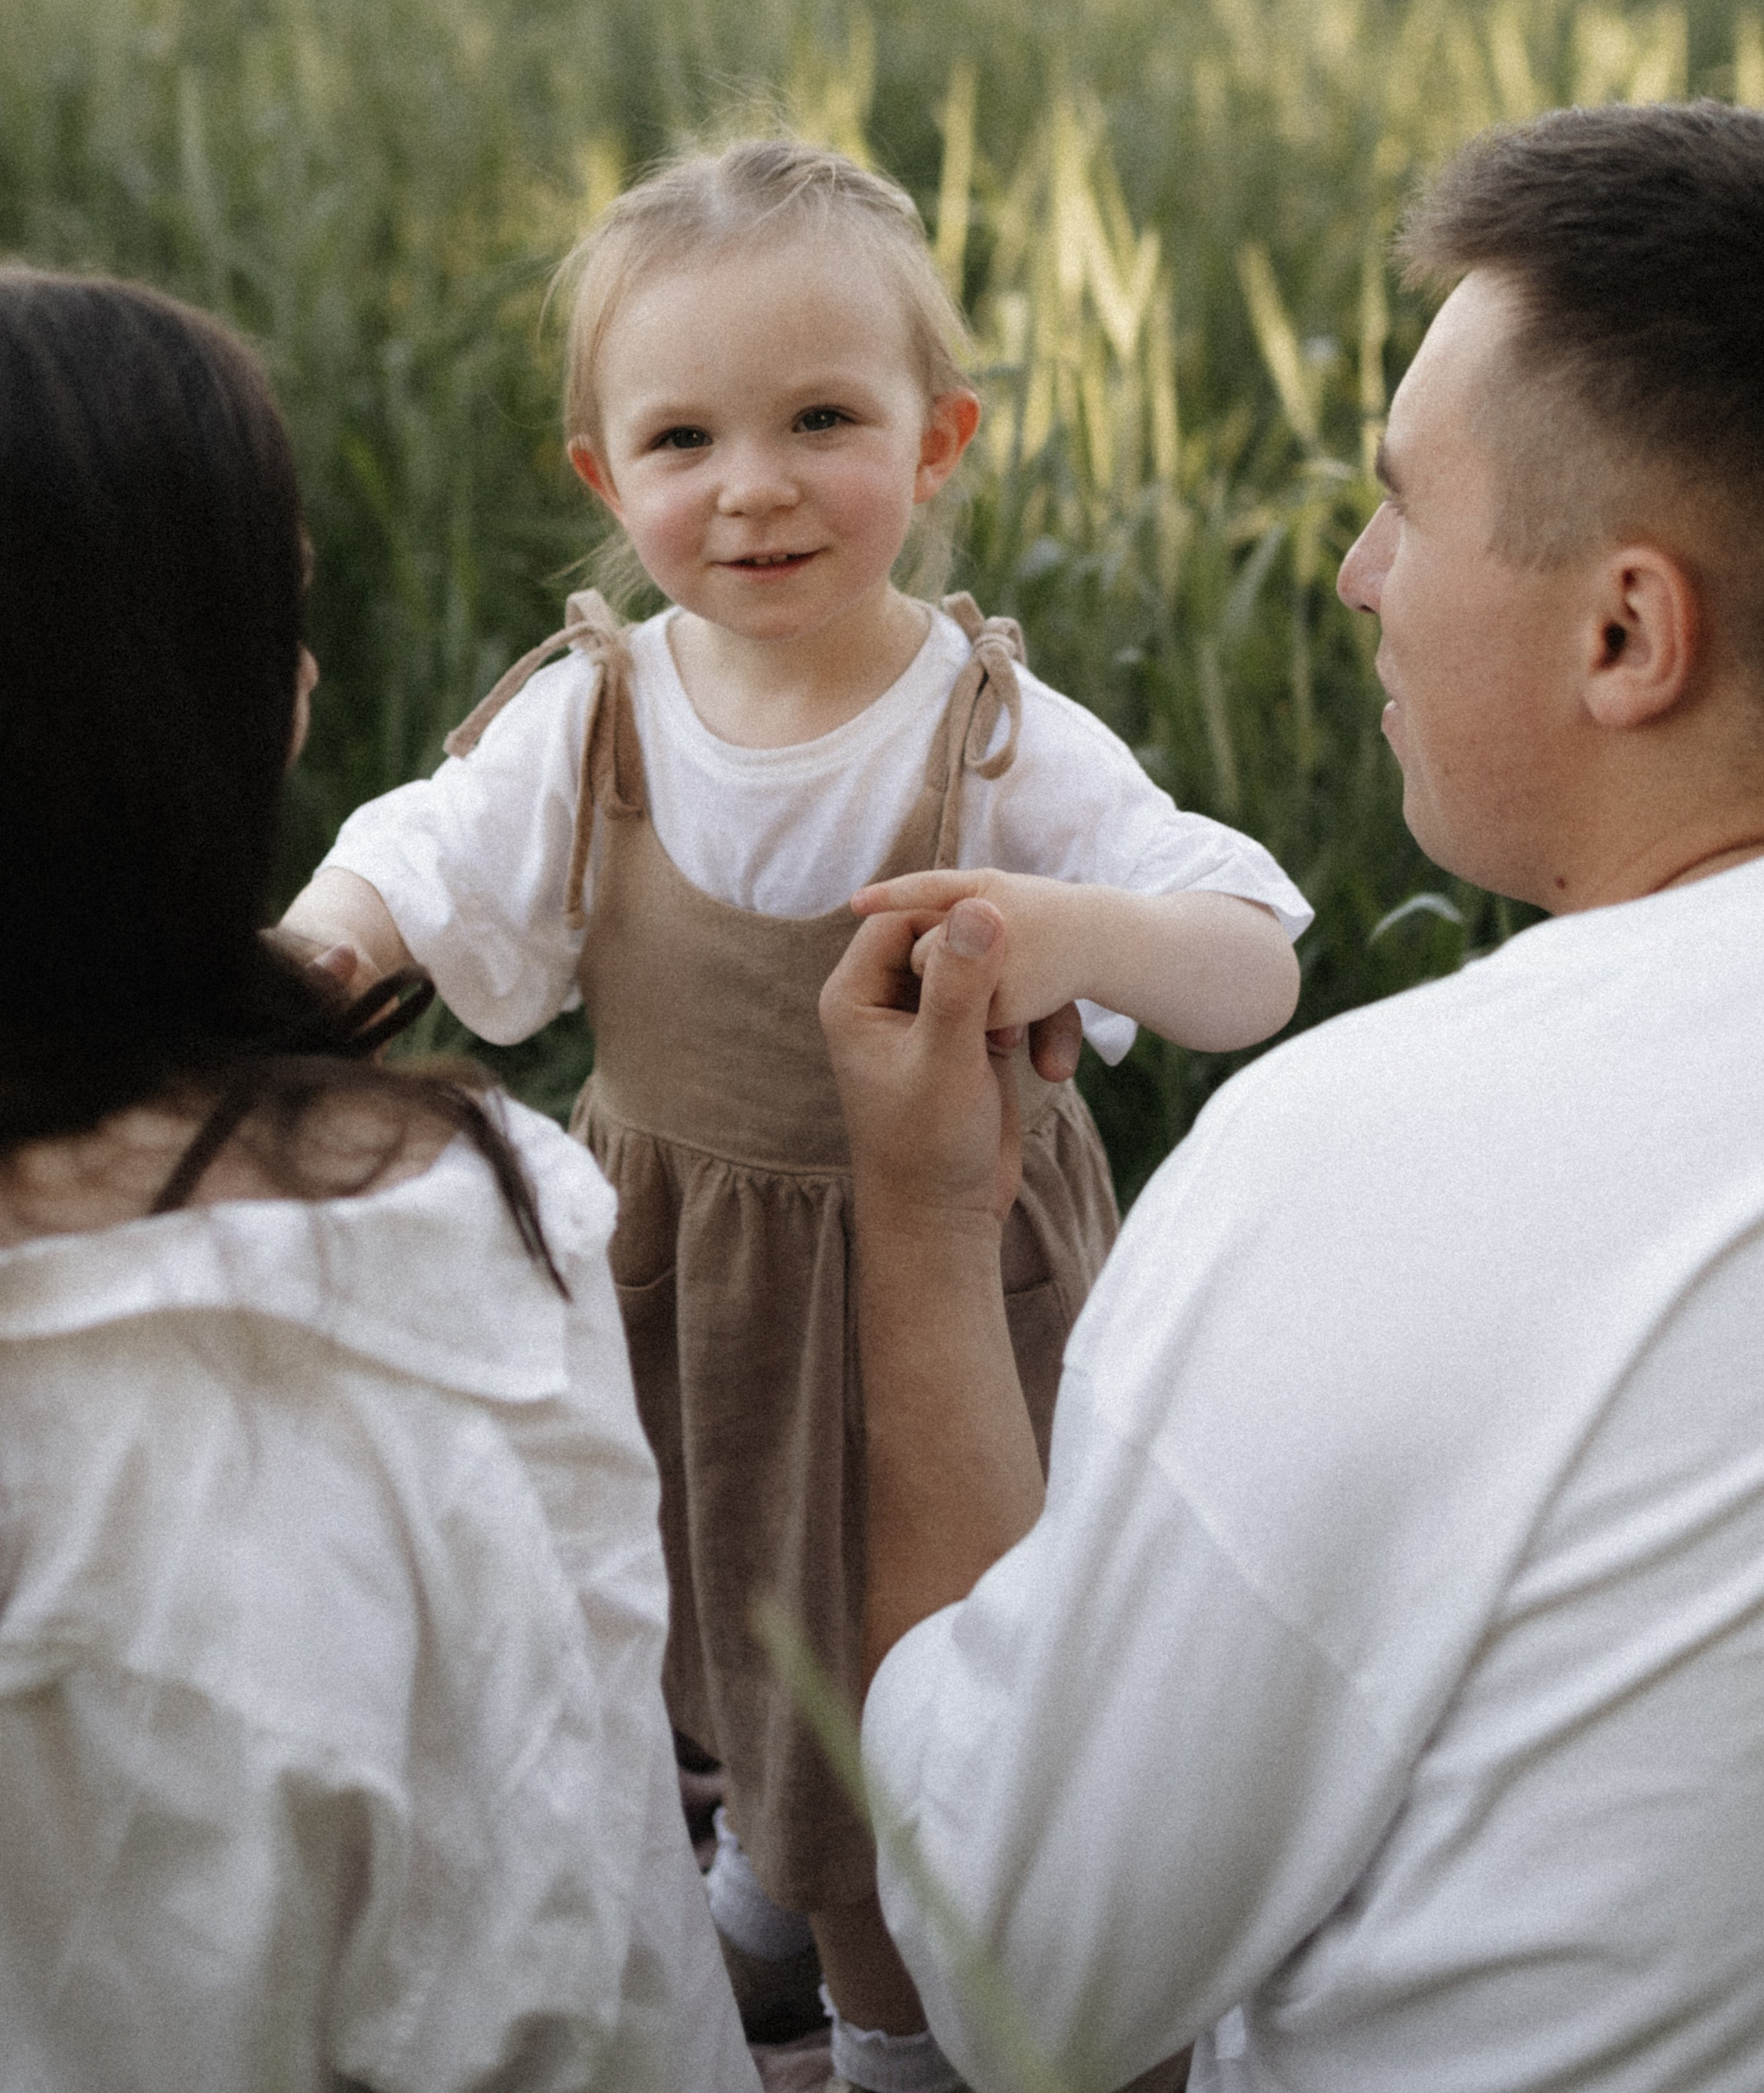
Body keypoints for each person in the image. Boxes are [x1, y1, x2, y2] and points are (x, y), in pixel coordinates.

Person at [282, 139, 1309, 2089]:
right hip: (693, 1277)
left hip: (944, 1295)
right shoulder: (592, 720)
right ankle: (770, 1859)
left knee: (885, 1656)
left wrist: (1066, 924)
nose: (749, 485)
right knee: (730, 1611)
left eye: (821, 419)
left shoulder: (986, 734)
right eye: (683, 440)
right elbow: (409, 869)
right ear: (604, 476)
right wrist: (314, 956)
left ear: (938, 445)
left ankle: (883, 2027)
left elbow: (1250, 950)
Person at [826, 99, 1764, 2092]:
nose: (1353, 578)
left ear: (1625, 632)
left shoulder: (1384, 1155)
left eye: (1398, 508)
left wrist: (920, 1234)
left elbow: (1018, 1990)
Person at [0, 262, 756, 2093]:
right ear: (185, 721)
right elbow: (592, 1993)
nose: (298, 680)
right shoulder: (458, 1258)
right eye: (271, 623)